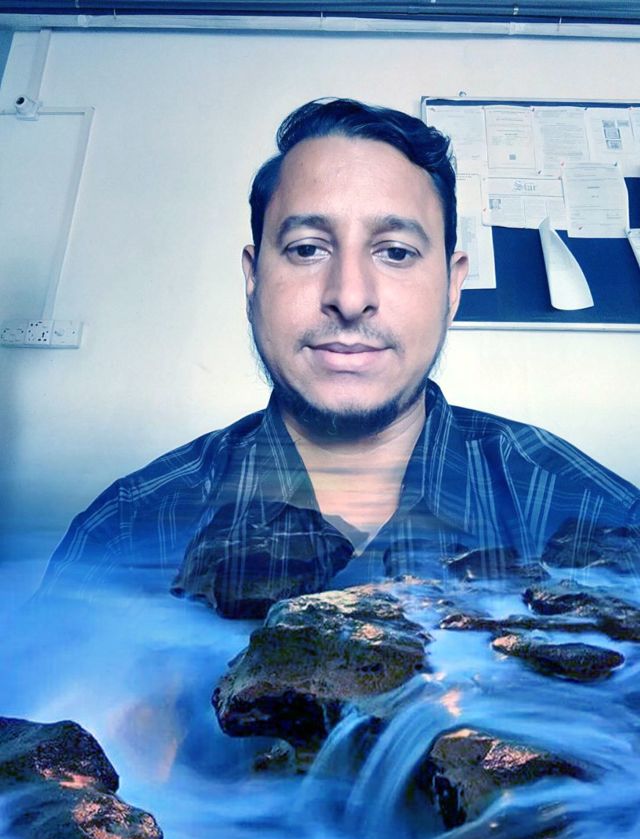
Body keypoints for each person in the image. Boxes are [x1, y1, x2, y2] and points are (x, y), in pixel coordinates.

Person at [39, 98, 640, 617]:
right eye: (307, 249)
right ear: (253, 279)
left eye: (396, 252)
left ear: (453, 288)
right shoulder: (125, 532)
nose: (350, 297)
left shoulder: (601, 517)